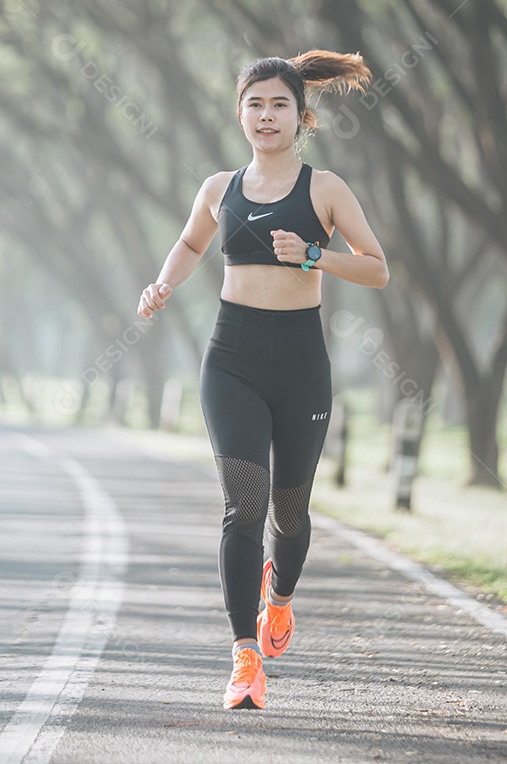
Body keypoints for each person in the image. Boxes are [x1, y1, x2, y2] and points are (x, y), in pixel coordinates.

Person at [137, 51, 389, 710]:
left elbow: (377, 268)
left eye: (279, 104)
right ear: (240, 112)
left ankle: (280, 601)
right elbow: (192, 243)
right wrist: (164, 282)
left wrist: (314, 255)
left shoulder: (325, 188)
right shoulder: (219, 189)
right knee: (243, 505)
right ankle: (245, 658)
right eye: (255, 103)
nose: (266, 115)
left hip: (301, 365)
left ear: (301, 116)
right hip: (232, 361)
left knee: (289, 512)